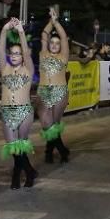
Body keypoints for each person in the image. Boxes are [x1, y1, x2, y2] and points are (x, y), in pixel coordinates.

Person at [0, 18, 37, 189]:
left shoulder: (28, 69)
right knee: (14, 147)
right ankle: (28, 171)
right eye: (12, 53)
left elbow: (27, 53)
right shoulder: (4, 69)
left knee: (21, 144)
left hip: (24, 112)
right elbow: (0, 48)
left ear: (22, 56)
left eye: (18, 53)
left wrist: (21, 31)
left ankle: (17, 176)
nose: (14, 56)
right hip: (7, 112)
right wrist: (5, 30)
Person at [37, 10, 70, 164]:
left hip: (60, 92)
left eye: (57, 43)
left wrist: (57, 22)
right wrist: (51, 21)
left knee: (54, 125)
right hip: (44, 92)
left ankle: (49, 152)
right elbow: (44, 35)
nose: (55, 45)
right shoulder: (43, 54)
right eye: (52, 42)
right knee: (47, 125)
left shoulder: (63, 56)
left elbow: (63, 37)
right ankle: (62, 150)